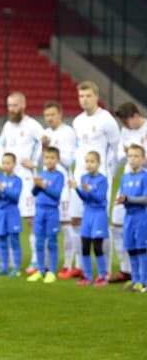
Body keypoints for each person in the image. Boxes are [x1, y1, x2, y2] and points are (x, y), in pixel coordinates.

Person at [70, 81, 120, 277]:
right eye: (81, 96)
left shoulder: (107, 120)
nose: (84, 99)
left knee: (101, 224)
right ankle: (81, 266)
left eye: (88, 96)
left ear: (96, 96)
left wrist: (109, 175)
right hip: (80, 178)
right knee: (76, 221)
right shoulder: (77, 121)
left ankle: (105, 270)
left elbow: (116, 150)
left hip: (99, 180)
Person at [0, 92, 43, 274]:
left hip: (26, 179)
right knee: (6, 218)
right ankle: (7, 262)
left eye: (15, 106)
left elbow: (45, 143)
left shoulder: (32, 125)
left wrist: (35, 162)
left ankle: (35, 260)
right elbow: (0, 145)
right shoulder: (7, 126)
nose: (12, 109)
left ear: (23, 105)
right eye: (9, 106)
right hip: (9, 180)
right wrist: (3, 162)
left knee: (31, 220)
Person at [41, 102, 82, 279]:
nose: (50, 118)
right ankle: (48, 265)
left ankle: (70, 265)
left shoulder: (68, 132)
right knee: (47, 227)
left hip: (64, 184)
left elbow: (67, 160)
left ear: (60, 114)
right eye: (47, 115)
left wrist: (51, 149)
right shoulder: (46, 134)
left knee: (67, 226)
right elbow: (42, 160)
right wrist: (44, 148)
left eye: (52, 114)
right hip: (48, 183)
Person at [109, 102, 147, 283]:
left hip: (143, 183)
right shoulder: (125, 132)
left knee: (142, 233)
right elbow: (119, 157)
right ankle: (126, 270)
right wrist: (126, 154)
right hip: (126, 182)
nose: (124, 125)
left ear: (136, 115)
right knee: (117, 225)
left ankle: (142, 275)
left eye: (126, 121)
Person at [71, 151, 109, 287]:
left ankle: (102, 277)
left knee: (97, 247)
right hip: (87, 214)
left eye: (92, 161)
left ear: (99, 163)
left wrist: (89, 191)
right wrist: (77, 189)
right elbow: (85, 198)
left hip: (98, 214)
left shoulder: (102, 180)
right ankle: (87, 276)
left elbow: (99, 198)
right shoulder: (84, 178)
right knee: (85, 246)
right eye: (87, 161)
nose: (89, 164)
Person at [27, 147, 64, 284]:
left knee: (52, 242)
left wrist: (43, 186)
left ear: (57, 160)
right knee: (39, 242)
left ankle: (52, 272)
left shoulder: (59, 176)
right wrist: (36, 186)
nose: (49, 160)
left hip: (52, 211)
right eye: (47, 158)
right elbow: (34, 193)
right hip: (39, 211)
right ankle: (41, 270)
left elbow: (56, 194)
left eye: (52, 158)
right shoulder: (41, 173)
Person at [115, 144, 147, 292]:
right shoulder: (125, 177)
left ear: (143, 159)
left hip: (141, 217)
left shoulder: (145, 176)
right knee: (131, 249)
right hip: (128, 217)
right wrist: (122, 199)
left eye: (136, 156)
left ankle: (144, 280)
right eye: (130, 156)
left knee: (142, 248)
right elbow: (124, 195)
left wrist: (128, 199)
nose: (132, 159)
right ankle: (134, 280)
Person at [0, 152, 23, 277]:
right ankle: (4, 266)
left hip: (12, 213)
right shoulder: (0, 179)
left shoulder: (17, 180)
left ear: (14, 164)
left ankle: (16, 268)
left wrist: (3, 190)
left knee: (14, 240)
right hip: (1, 214)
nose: (5, 165)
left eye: (8, 163)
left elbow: (15, 197)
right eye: (3, 163)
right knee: (2, 240)